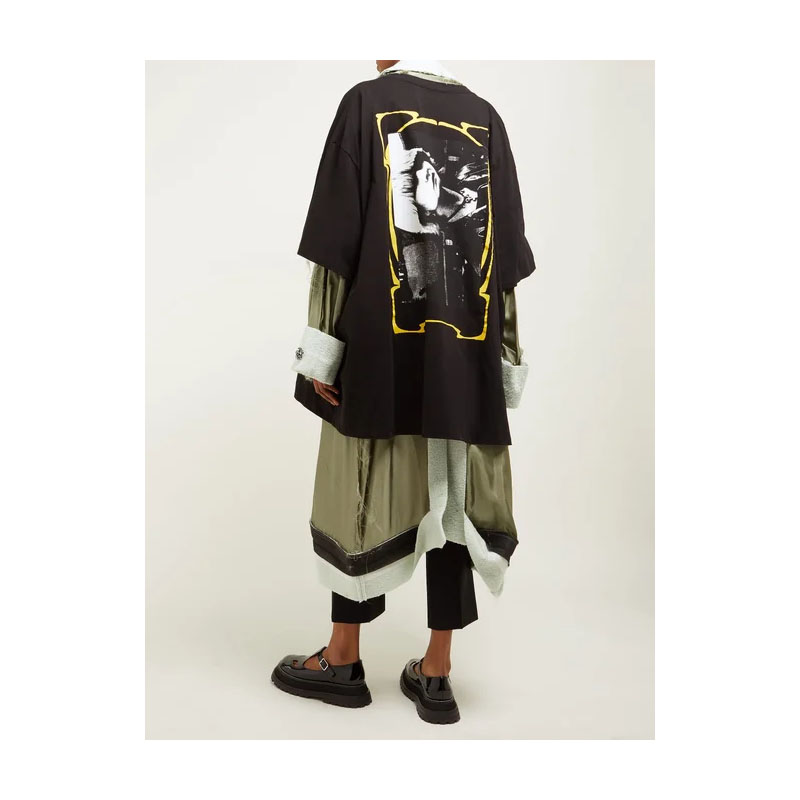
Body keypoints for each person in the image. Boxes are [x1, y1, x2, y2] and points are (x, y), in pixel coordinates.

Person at [271, 60, 536, 724]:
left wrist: (321, 352)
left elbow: (335, 246)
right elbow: (503, 264)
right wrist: (504, 356)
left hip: (378, 345)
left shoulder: (364, 103)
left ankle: (342, 658)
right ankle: (436, 673)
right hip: (463, 351)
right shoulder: (486, 119)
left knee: (359, 491)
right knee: (455, 497)